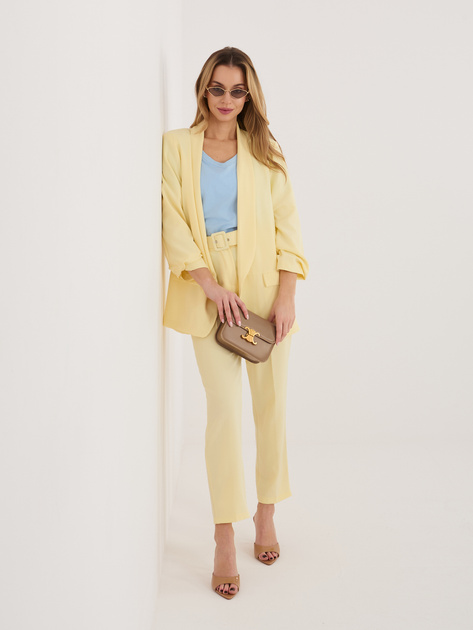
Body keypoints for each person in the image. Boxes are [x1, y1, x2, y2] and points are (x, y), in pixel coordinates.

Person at [161, 46, 308, 600]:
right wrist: (209, 285)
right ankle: (225, 534)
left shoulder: (265, 152)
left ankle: (266, 512)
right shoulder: (176, 147)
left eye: (237, 90)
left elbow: (289, 228)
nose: (226, 99)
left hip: (266, 291)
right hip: (209, 290)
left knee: (272, 408)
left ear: (249, 96)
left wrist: (286, 296)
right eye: (218, 88)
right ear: (204, 89)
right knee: (223, 414)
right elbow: (172, 219)